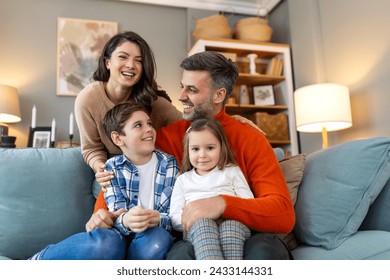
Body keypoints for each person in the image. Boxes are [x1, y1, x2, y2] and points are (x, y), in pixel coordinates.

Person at [94, 51, 295, 260]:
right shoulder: (166, 137)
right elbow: (127, 169)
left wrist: (221, 204)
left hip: (247, 235)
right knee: (179, 258)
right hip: (192, 235)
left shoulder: (250, 138)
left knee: (263, 253)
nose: (181, 96)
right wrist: (101, 212)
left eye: (191, 89)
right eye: (182, 86)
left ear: (218, 95)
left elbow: (283, 215)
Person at [29, 103, 180, 260]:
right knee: (106, 244)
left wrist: (157, 219)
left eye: (149, 123)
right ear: (118, 138)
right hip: (119, 234)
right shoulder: (112, 167)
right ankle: (40, 259)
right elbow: (116, 211)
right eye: (138, 125)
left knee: (158, 241)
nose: (148, 129)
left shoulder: (169, 163)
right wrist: (127, 220)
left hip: (153, 233)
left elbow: (173, 215)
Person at [74, 30, 182, 198]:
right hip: (112, 168)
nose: (131, 65)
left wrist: (232, 120)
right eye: (123, 57)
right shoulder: (87, 100)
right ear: (107, 62)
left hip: (150, 168)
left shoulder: (152, 101)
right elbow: (91, 148)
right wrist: (102, 169)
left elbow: (190, 124)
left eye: (138, 61)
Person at [169, 118, 253, 260]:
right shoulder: (183, 180)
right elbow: (175, 217)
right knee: (204, 225)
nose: (202, 155)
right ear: (187, 151)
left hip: (233, 224)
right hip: (197, 228)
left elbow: (249, 204)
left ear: (222, 147)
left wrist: (223, 211)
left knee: (230, 228)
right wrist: (199, 217)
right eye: (195, 149)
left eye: (210, 148)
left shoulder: (231, 171)